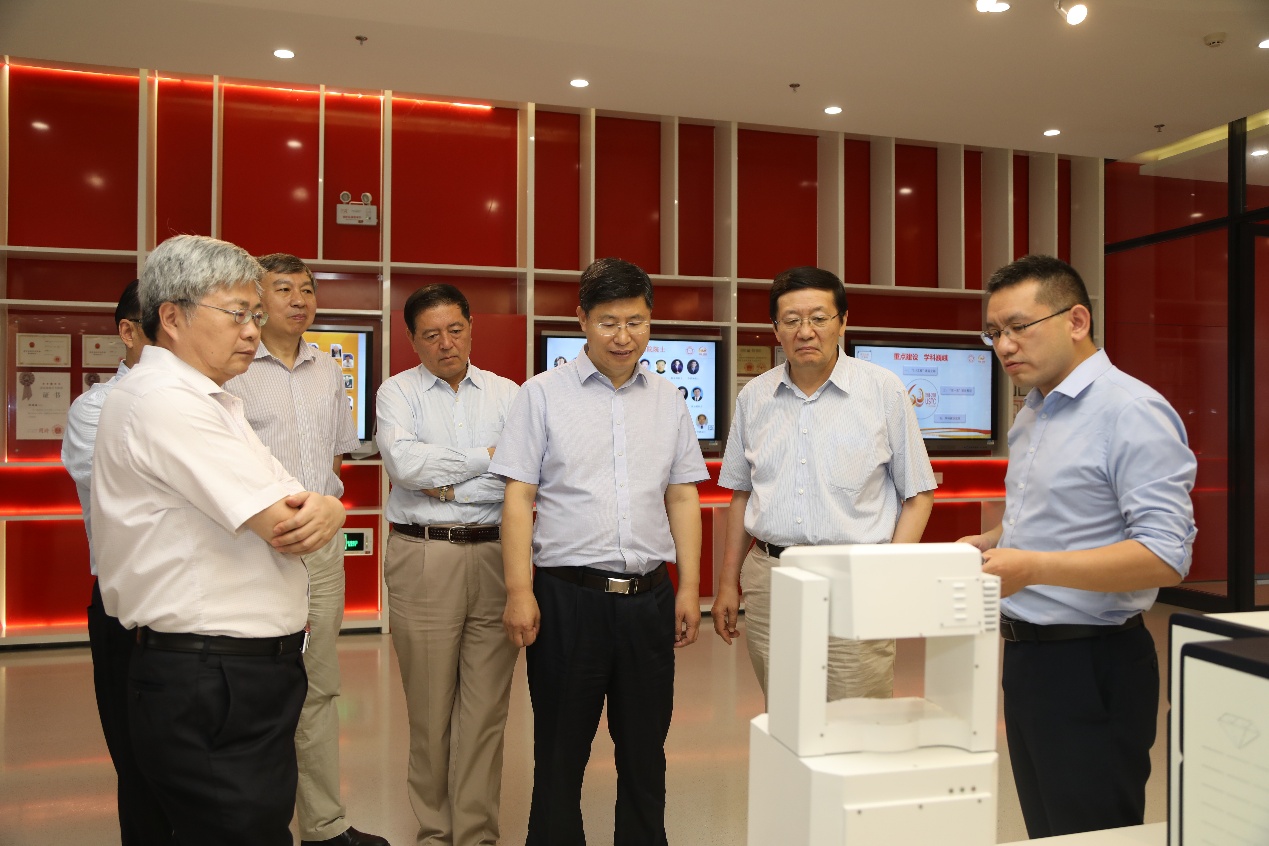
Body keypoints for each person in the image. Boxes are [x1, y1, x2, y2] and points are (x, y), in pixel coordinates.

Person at [91, 234, 347, 846]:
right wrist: (326, 508)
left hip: (230, 670)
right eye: (236, 314)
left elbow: (304, 495)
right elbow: (287, 521)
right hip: (209, 675)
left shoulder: (212, 401)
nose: (253, 331)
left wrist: (331, 506)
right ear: (173, 318)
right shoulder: (164, 402)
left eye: (255, 314)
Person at [957, 255, 1197, 839]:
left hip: (1093, 662)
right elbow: (1060, 513)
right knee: (1049, 828)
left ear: (1077, 320)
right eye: (994, 332)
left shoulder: (1131, 411)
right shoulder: (1034, 411)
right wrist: (992, 539)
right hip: (1029, 657)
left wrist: (1033, 567)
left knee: (1091, 830)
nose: (1004, 345)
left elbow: (1166, 556)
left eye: (1019, 326)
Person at [494, 257, 709, 846]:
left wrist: (689, 587)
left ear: (650, 321)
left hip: (649, 598)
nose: (623, 336)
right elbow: (518, 498)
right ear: (582, 320)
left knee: (645, 749)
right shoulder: (541, 396)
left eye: (636, 322)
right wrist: (519, 591)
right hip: (568, 599)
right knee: (560, 750)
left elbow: (682, 495)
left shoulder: (668, 398)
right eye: (609, 322)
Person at [711, 266, 936, 703]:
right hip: (771, 578)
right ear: (776, 328)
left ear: (843, 321)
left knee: (858, 717)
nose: (805, 331)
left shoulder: (883, 390)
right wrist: (727, 584)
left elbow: (918, 494)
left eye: (819, 318)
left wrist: (887, 575)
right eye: (792, 320)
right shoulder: (754, 396)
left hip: (856, 579)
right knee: (786, 714)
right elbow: (741, 494)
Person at [223, 254, 386, 846]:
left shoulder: (328, 370)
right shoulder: (233, 369)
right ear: (257, 300)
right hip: (252, 548)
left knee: (318, 683)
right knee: (253, 685)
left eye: (307, 289)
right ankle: (258, 825)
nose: (299, 300)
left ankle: (323, 825)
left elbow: (335, 456)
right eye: (284, 288)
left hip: (320, 548)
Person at [376, 283, 520, 846]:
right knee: (430, 709)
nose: (446, 344)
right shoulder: (397, 393)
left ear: (471, 328)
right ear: (413, 340)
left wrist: (450, 485)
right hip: (424, 555)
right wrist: (487, 461)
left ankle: (477, 834)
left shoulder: (509, 394)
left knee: (486, 711)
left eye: (455, 330)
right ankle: (435, 832)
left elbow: (523, 474)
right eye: (431, 335)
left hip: (499, 555)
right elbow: (406, 465)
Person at [62, 279, 171, 846]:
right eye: (161, 326)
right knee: (139, 758)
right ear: (128, 332)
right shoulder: (95, 409)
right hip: (127, 602)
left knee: (198, 764)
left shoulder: (214, 402)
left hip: (197, 605)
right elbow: (135, 498)